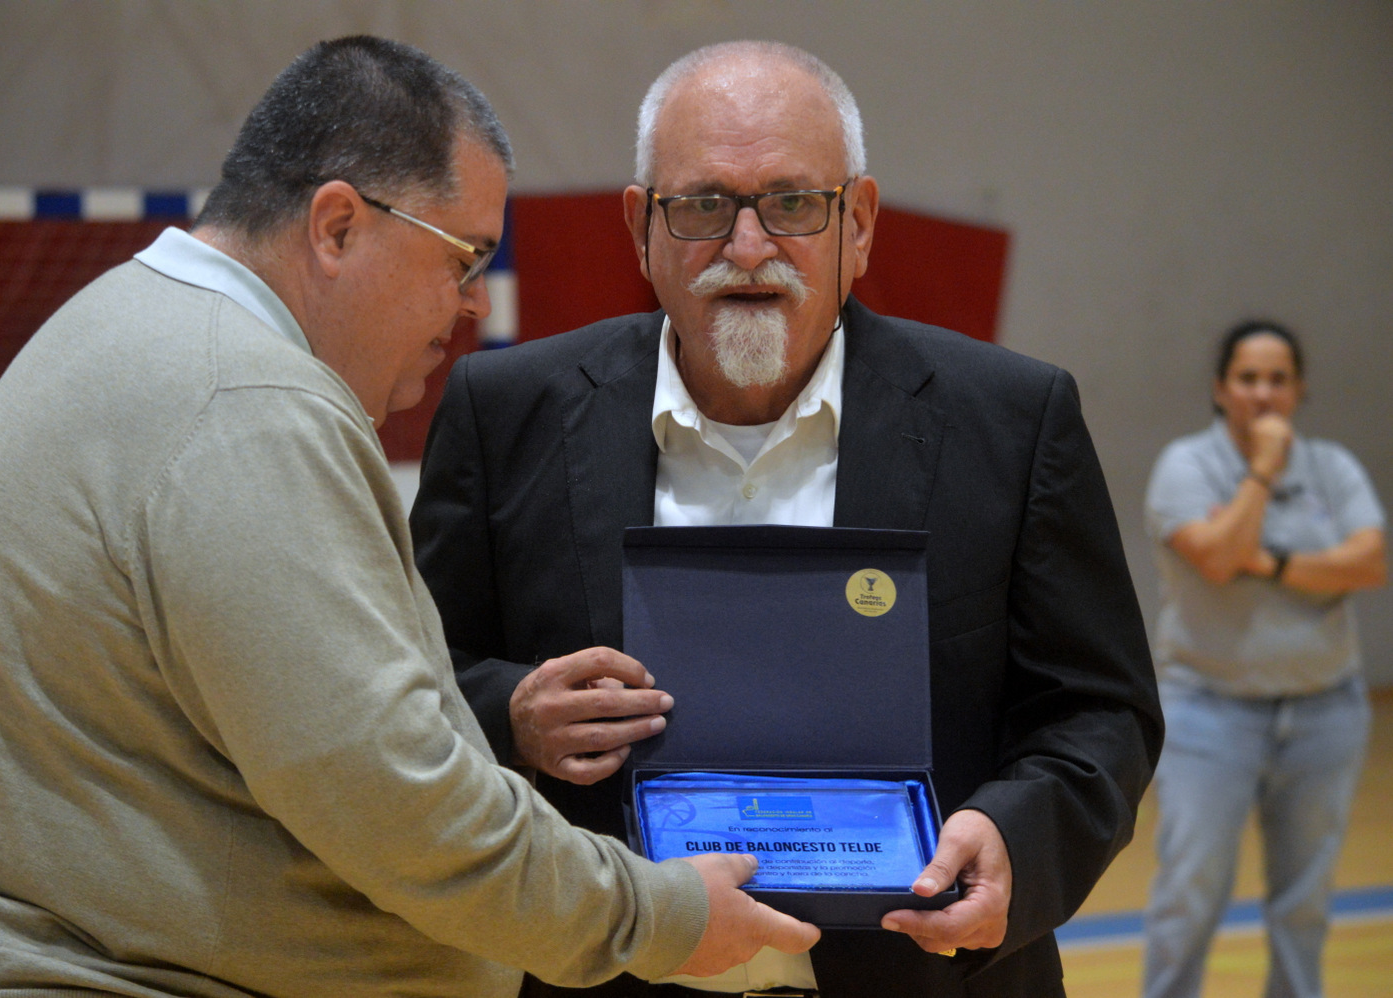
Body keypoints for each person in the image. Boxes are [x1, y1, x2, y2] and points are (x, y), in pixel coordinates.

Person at [0, 36, 819, 997]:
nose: (469, 307)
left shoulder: (126, 325)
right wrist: (658, 915)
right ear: (337, 226)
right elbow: (397, 804)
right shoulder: (245, 400)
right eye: (464, 259)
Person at [411, 40, 1163, 998]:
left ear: (860, 223)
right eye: (704, 205)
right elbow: (417, 685)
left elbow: (1100, 712)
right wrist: (509, 715)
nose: (749, 246)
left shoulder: (1010, 419)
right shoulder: (503, 410)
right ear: (642, 226)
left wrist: (1019, 835)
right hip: (614, 974)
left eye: (794, 203)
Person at [1140, 320, 1386, 998]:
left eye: (1279, 379)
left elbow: (1367, 562)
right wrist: (1264, 473)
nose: (1264, 394)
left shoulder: (1333, 467)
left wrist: (1270, 561)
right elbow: (1217, 558)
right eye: (1248, 378)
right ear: (1221, 390)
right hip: (1208, 713)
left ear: (1300, 389)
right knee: (1189, 898)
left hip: (1325, 712)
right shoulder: (1185, 467)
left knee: (1303, 905)